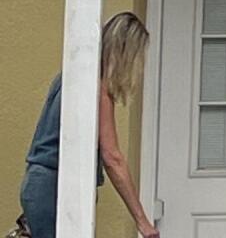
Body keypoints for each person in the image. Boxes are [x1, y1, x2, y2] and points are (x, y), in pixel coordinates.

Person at [16, 14, 159, 238]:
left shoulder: (69, 77)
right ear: (125, 54)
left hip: (39, 185)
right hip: (53, 189)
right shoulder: (96, 88)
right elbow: (113, 158)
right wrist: (142, 221)